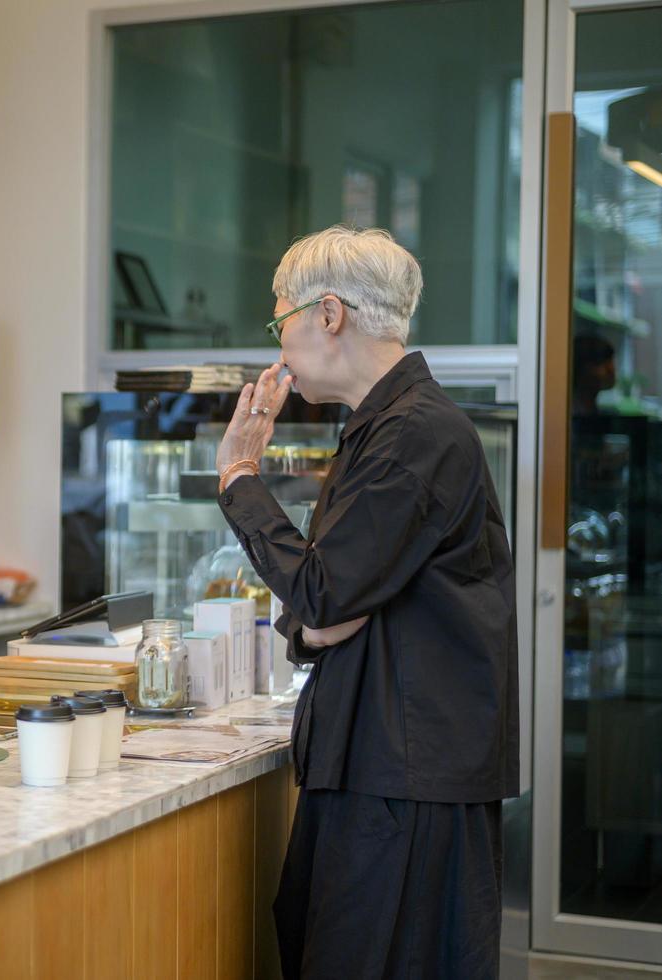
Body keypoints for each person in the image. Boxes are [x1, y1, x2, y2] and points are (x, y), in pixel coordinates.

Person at [214, 226, 518, 978]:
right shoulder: (381, 426)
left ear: (328, 314)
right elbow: (325, 601)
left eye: (277, 317)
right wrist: (311, 626)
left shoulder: (414, 433)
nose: (277, 343)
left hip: (404, 775)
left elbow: (320, 589)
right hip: (381, 763)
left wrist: (239, 478)